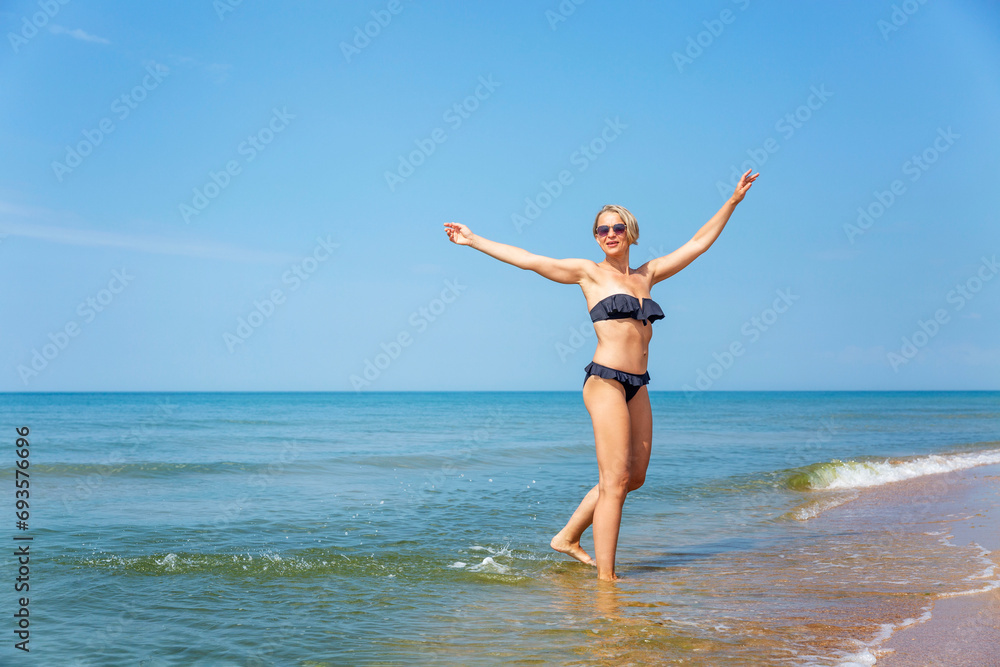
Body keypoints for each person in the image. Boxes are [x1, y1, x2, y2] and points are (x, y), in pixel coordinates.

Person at [443, 169, 758, 581]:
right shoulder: (588, 273)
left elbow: (698, 244)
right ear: (596, 236)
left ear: (631, 232)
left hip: (638, 385)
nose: (609, 234)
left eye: (617, 227)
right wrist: (474, 240)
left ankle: (568, 537)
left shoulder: (648, 274)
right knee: (615, 480)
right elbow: (531, 261)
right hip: (606, 382)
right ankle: (607, 582)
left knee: (635, 477)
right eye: (601, 229)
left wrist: (732, 201)